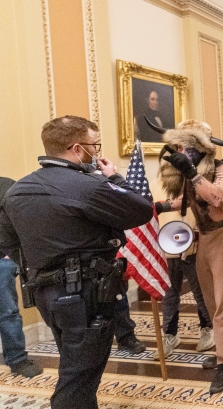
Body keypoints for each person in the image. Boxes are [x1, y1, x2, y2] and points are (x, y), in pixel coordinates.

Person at [0, 116, 153, 409]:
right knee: (79, 377)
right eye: (94, 145)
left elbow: (8, 241)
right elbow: (141, 209)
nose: (97, 151)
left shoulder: (18, 190)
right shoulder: (88, 187)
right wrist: (114, 178)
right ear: (76, 148)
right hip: (85, 295)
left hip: (46, 294)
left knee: (75, 363)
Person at [151, 119, 223, 394]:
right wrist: (154, 206)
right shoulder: (194, 173)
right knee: (212, 302)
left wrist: (191, 172)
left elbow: (218, 197)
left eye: (190, 145)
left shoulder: (221, 167)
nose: (184, 150)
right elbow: (188, 200)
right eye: (182, 145)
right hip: (203, 240)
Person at [0, 177, 43, 379]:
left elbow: (23, 217)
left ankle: (17, 359)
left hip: (1, 262)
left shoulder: (7, 186)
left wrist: (8, 253)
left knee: (8, 313)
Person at [153, 244, 214, 358]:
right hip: (167, 249)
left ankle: (207, 328)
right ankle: (170, 334)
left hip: (192, 247)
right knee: (169, 294)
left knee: (199, 291)